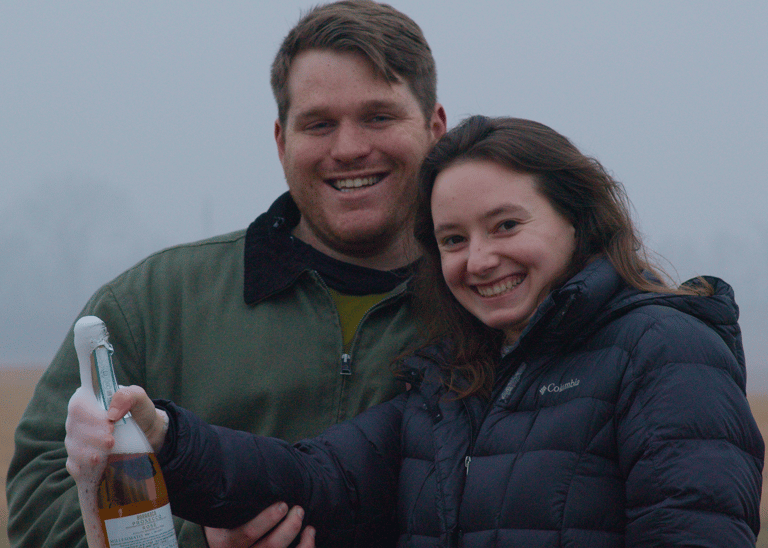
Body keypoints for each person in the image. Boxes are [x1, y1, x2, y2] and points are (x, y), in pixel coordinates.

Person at [67, 115, 764, 546]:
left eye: (506, 225)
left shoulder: (665, 350)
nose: (479, 259)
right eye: (453, 239)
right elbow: (313, 478)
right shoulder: (449, 383)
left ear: (577, 220)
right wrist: (164, 437)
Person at [6, 1, 447, 546]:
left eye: (379, 117)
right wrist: (197, 542)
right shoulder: (153, 306)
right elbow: (39, 502)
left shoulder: (491, 312)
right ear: (282, 142)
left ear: (435, 128)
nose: (350, 148)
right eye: (319, 124)